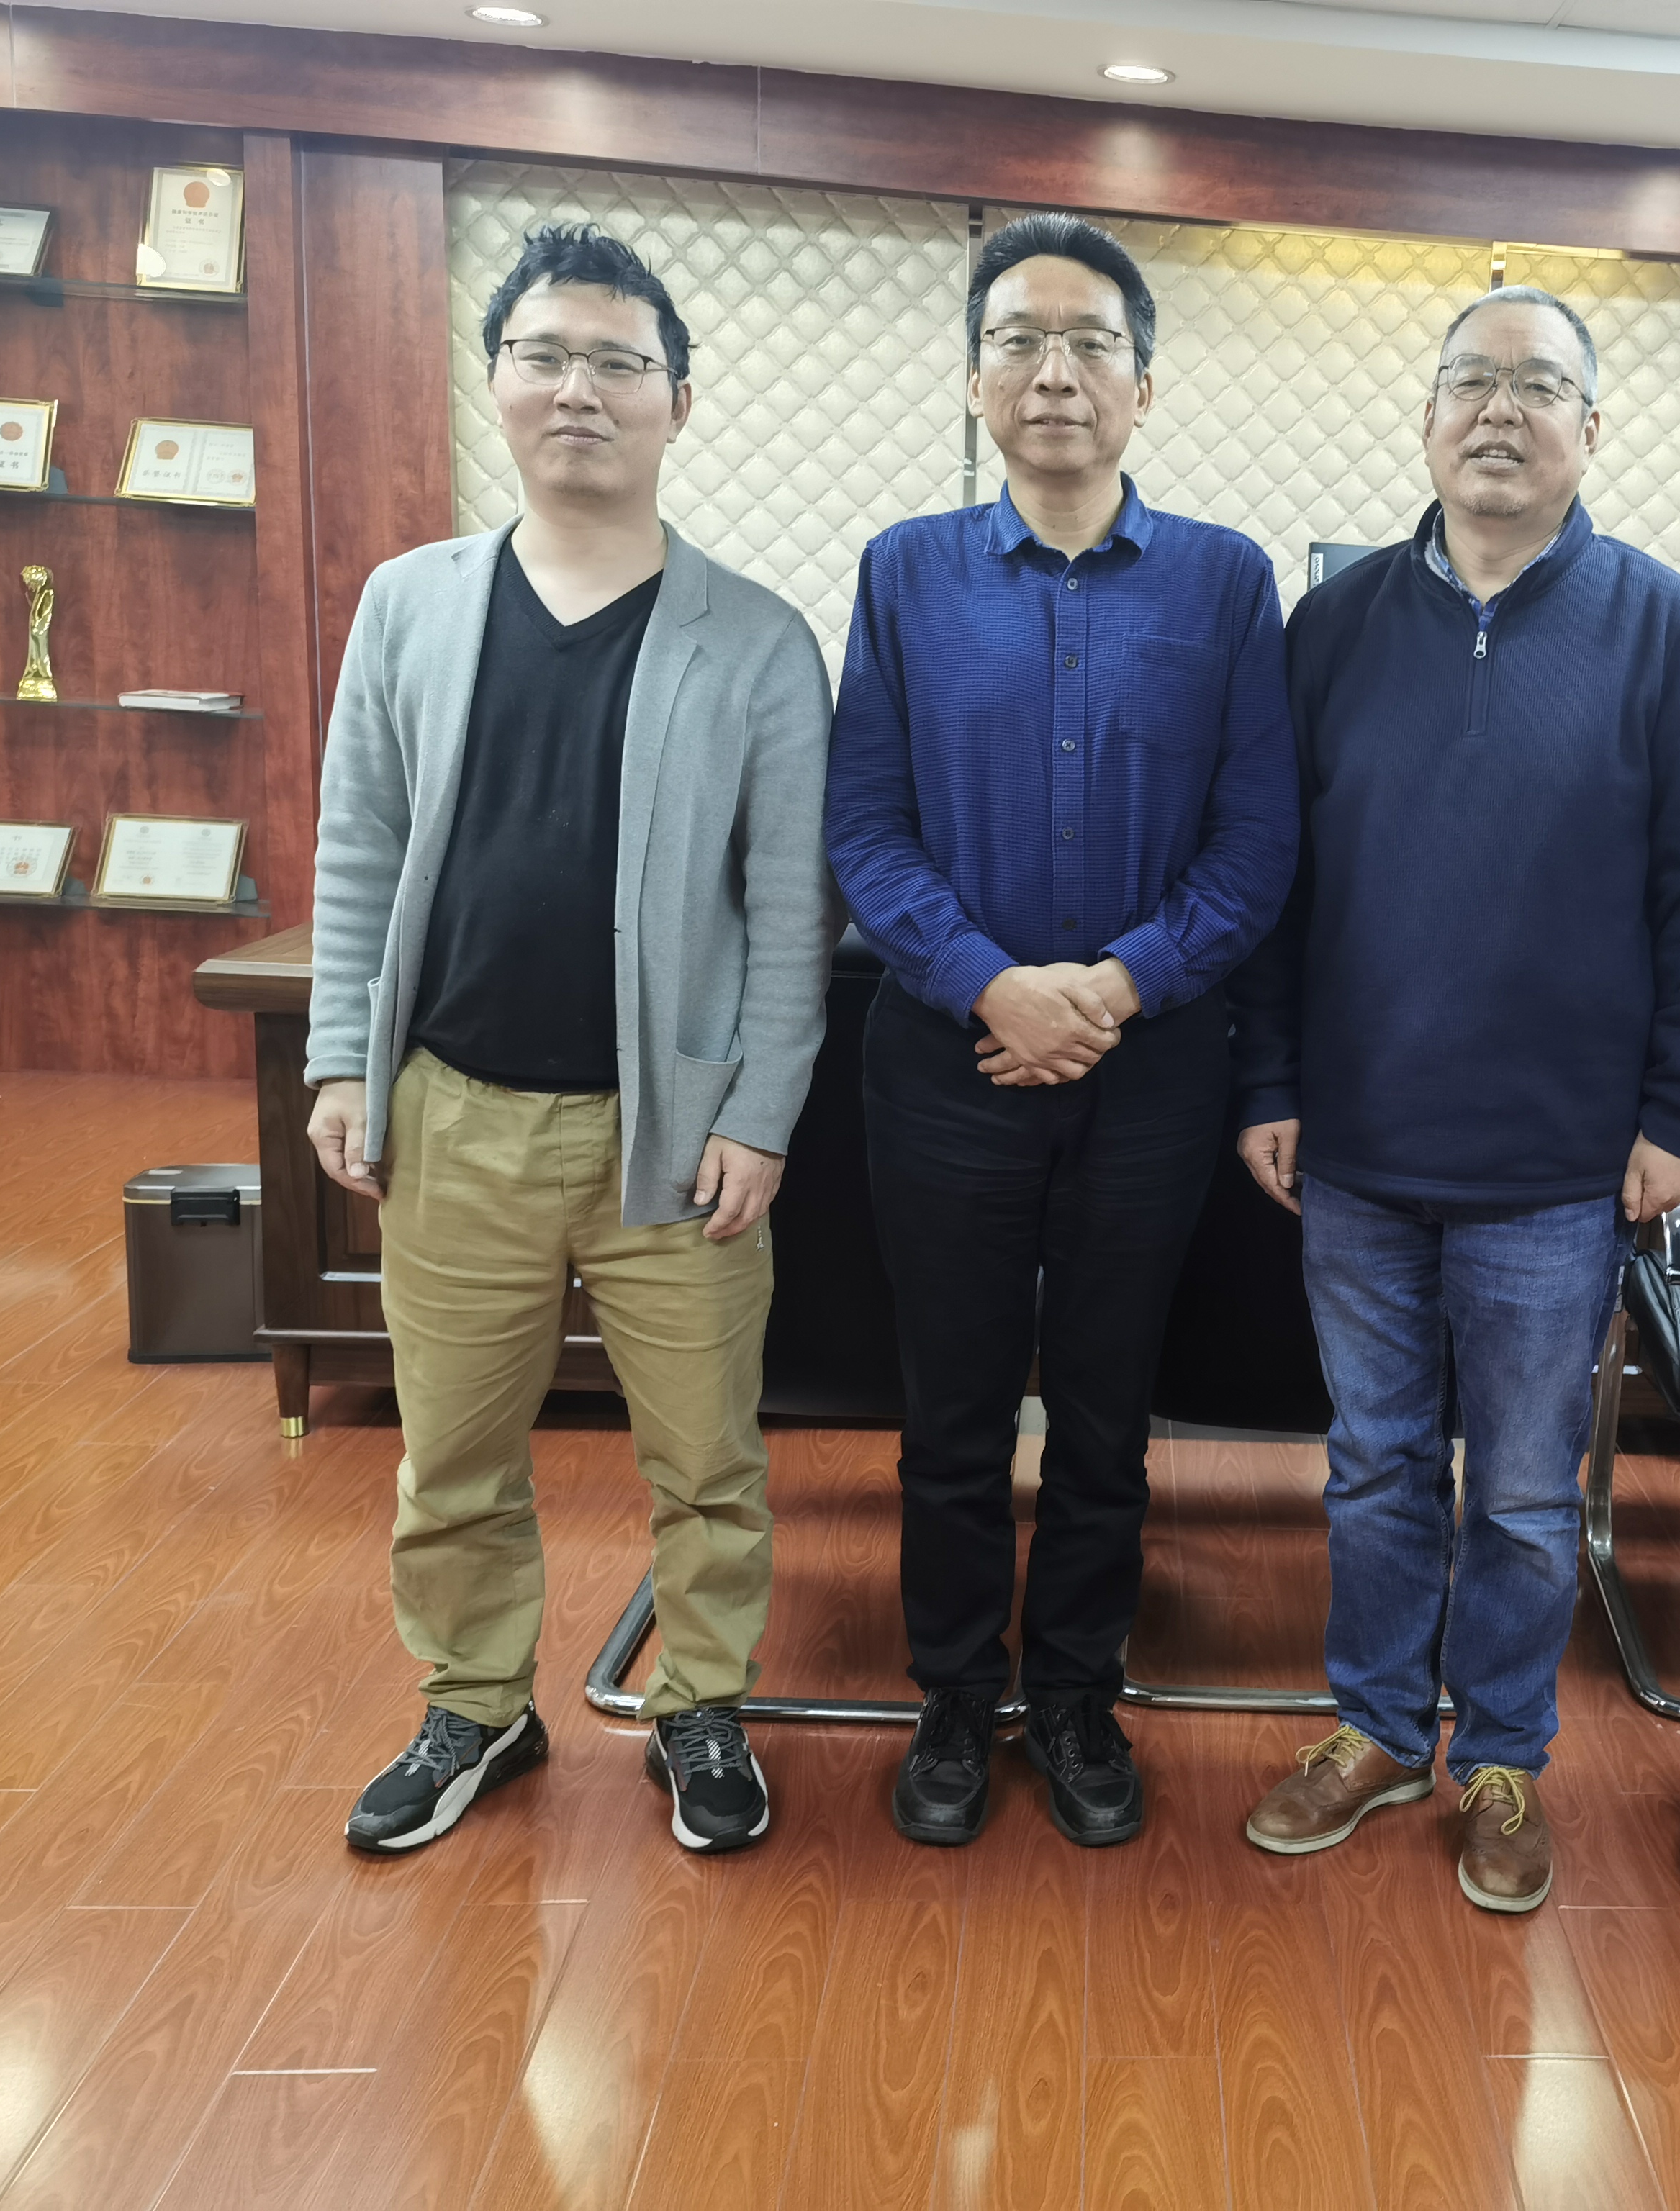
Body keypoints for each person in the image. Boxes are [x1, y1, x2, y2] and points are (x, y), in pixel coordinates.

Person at [307, 223, 834, 1859]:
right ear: (499, 384)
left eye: (617, 363)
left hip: (670, 1132)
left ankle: (703, 1706)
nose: (578, 391)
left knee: (707, 1460)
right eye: (543, 356)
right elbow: (358, 843)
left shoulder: (755, 638)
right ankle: (476, 1705)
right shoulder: (410, 603)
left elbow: (791, 907)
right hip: (452, 1110)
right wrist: (342, 1054)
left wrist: (760, 1109)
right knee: (452, 1453)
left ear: (678, 401)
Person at [1231, 286, 1680, 1914]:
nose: (1499, 411)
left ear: (1590, 429)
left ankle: (1506, 1752)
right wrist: (1269, 1077)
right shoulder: (1330, 629)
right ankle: (1380, 1727)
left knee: (1528, 1497)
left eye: (1538, 387)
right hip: (1358, 1151)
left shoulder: (1659, 622)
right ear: (1427, 418)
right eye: (1470, 380)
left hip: (1558, 1165)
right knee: (1375, 1466)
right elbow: (1274, 886)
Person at [826, 214, 1297, 1852]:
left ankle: (1082, 1691)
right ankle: (958, 1693)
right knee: (953, 1412)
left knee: (1107, 1411)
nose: (1054, 372)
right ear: (974, 380)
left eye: (1090, 342)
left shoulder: (1226, 583)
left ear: (1142, 386)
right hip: (945, 1060)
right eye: (1018, 340)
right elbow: (864, 827)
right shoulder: (904, 572)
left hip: (1150, 1069)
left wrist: (1115, 986)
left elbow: (1258, 842)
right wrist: (991, 983)